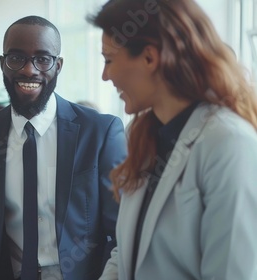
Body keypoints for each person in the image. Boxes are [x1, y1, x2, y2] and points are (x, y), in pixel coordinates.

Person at [0, 16, 127, 280]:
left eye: (43, 59)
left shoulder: (100, 132)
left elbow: (121, 229)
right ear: (2, 64)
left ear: (58, 65)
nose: (29, 70)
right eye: (16, 58)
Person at [89, 0, 257, 279]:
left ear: (149, 58)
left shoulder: (229, 143)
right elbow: (129, 249)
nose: (106, 76)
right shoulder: (142, 136)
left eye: (108, 60)